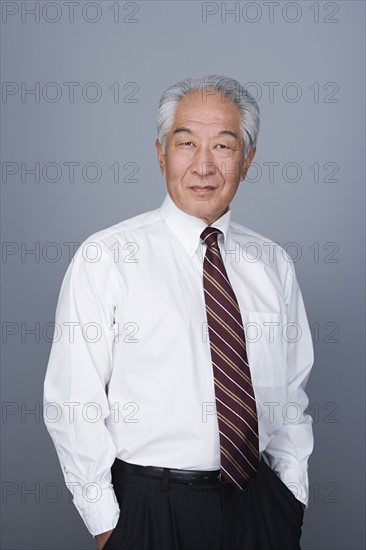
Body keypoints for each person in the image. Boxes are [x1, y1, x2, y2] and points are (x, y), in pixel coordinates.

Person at [43, 75, 314, 550]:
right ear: (161, 154)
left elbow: (290, 397)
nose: (203, 165)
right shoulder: (106, 257)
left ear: (247, 160)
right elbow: (73, 403)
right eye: (186, 143)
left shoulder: (273, 263)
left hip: (259, 506)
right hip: (150, 509)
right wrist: (109, 526)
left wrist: (291, 499)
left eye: (224, 145)